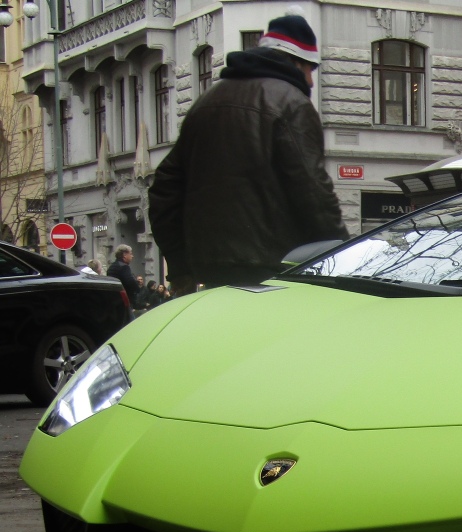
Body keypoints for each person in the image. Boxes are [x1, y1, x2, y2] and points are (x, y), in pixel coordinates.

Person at [148, 13, 347, 291]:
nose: (311, 82)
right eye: (310, 69)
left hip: (211, 271)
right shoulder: (292, 103)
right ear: (295, 61)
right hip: (275, 272)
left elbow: (163, 192)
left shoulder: (205, 103)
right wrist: (343, 257)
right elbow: (314, 192)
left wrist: (180, 266)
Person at [106, 245, 140, 310]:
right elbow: (130, 281)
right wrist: (137, 288)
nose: (132, 256)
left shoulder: (112, 267)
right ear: (124, 254)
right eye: (130, 254)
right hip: (124, 300)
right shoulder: (124, 267)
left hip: (113, 299)